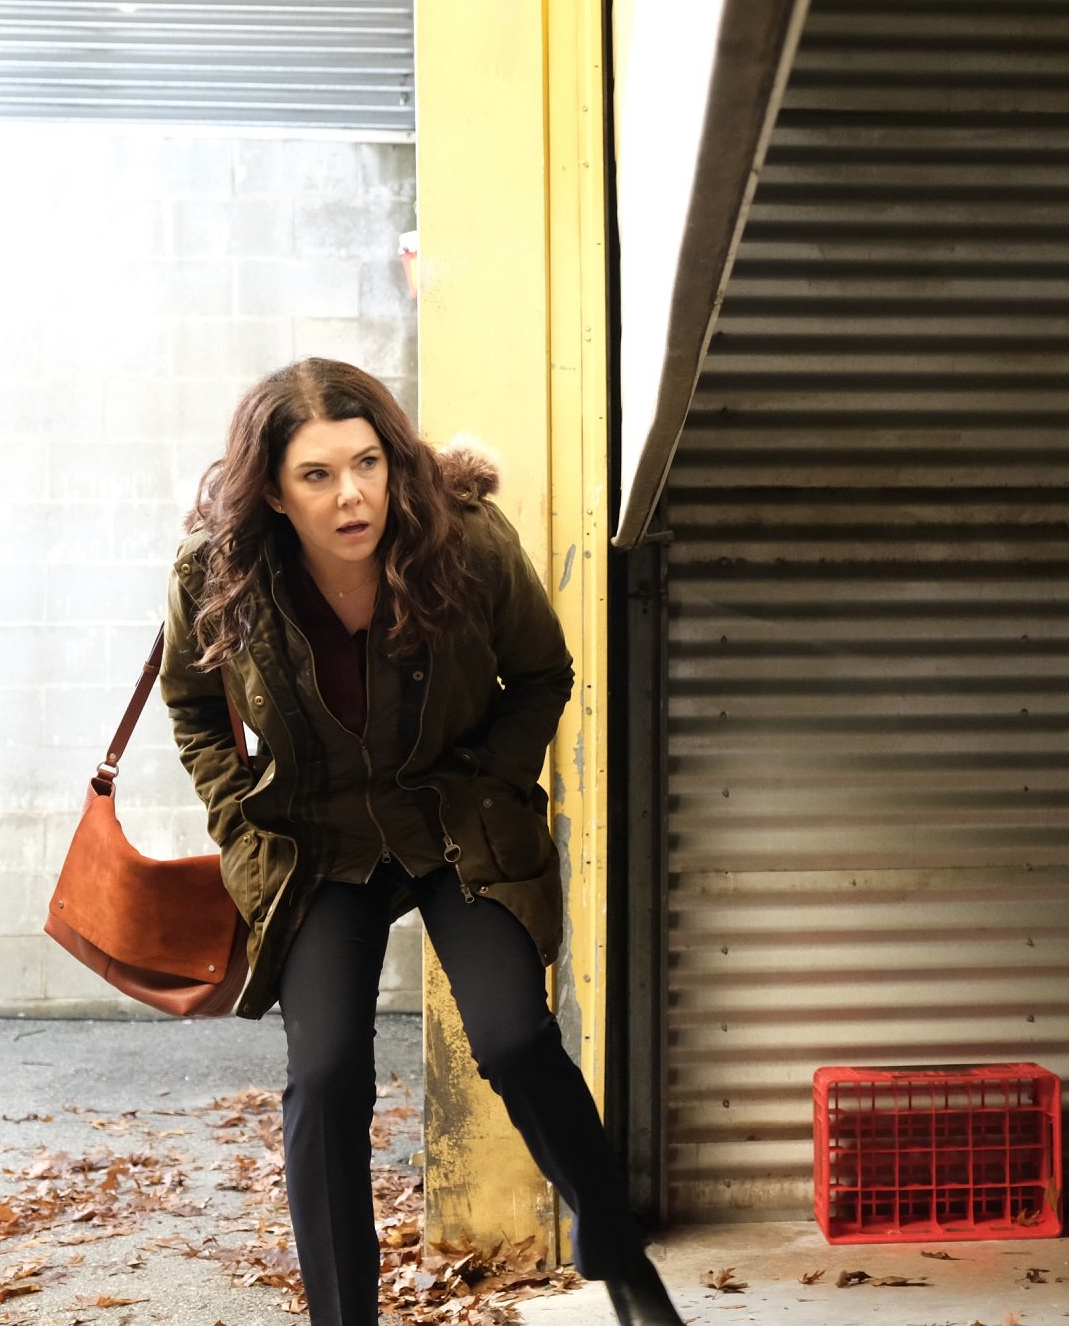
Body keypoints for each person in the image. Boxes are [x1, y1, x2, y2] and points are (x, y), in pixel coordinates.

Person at [159, 358, 683, 1326]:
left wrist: (490, 782)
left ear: (394, 461)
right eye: (316, 474)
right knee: (324, 1079)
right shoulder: (217, 570)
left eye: (366, 462)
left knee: (517, 1040)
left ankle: (627, 1271)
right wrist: (238, 823)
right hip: (316, 842)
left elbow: (540, 672)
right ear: (274, 490)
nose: (350, 493)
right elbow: (193, 704)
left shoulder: (466, 544)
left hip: (453, 825)